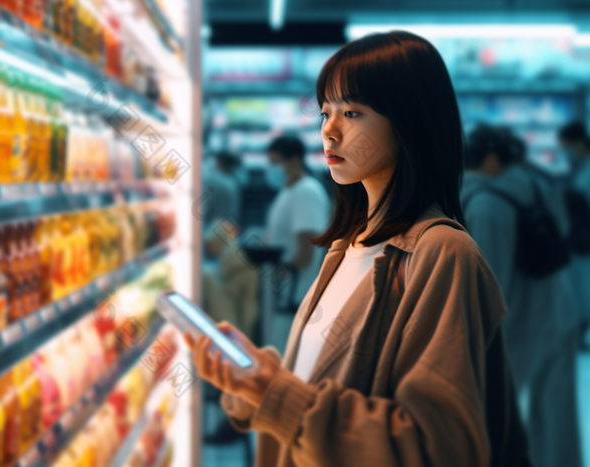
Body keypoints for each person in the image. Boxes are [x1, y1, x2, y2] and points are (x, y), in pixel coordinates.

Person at [185, 31, 530, 467]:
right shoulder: (346, 247)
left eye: (352, 112)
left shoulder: (443, 254)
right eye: (325, 111)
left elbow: (437, 450)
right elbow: (313, 388)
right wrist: (252, 381)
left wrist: (276, 394)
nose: (329, 129)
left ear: (410, 121)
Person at [462, 124, 581, 467]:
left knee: (491, 416)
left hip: (518, 327)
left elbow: (490, 283)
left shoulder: (486, 204)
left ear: (493, 158)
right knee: (557, 414)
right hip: (559, 313)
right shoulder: (540, 185)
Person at [264, 135, 330, 312]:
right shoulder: (288, 191)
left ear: (294, 160)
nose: (272, 169)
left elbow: (307, 250)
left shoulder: (306, 192)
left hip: (295, 296)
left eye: (275, 163)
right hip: (281, 294)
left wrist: (280, 274)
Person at [558, 121, 590, 348]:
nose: (565, 153)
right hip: (580, 242)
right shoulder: (581, 168)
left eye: (566, 146)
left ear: (578, 143)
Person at [202, 151, 242, 224]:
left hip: (212, 228)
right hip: (228, 228)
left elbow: (204, 211)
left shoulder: (213, 180)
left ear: (218, 162)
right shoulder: (232, 182)